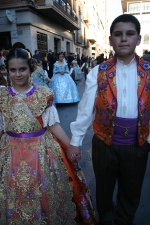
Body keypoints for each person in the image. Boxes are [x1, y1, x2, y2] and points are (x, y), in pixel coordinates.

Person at [67, 14, 150, 225]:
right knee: (104, 190)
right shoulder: (98, 72)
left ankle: (125, 220)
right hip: (104, 144)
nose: (124, 39)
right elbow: (86, 109)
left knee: (131, 192)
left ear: (138, 39)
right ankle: (106, 219)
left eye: (129, 34)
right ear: (111, 39)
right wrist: (75, 141)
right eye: (118, 34)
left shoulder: (148, 73)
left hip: (137, 145)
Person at [0, 48, 98, 224]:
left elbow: (53, 125)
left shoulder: (43, 94)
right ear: (6, 70)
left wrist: (71, 145)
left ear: (30, 69)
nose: (18, 74)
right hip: (10, 154)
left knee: (44, 191)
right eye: (12, 70)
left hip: (41, 153)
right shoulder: (2, 96)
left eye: (22, 69)